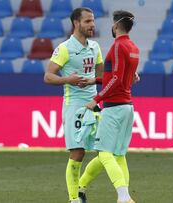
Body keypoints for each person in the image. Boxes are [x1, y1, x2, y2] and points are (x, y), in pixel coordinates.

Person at [44, 7, 104, 203]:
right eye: (87, 21)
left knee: (107, 152)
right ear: (76, 23)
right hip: (75, 107)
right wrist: (67, 79)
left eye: (93, 21)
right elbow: (48, 76)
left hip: (93, 103)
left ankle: (81, 187)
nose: (92, 25)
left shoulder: (95, 47)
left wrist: (94, 81)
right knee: (78, 153)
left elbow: (103, 76)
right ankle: (74, 199)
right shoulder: (64, 48)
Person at [84, 10, 139, 203]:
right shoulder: (133, 47)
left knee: (104, 153)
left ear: (115, 26)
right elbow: (128, 77)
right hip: (127, 107)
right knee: (119, 155)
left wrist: (96, 98)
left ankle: (123, 197)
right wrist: (94, 80)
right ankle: (85, 189)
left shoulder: (117, 46)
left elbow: (115, 78)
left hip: (114, 107)